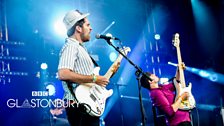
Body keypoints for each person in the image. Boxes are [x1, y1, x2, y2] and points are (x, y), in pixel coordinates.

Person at [57, 9, 109, 126]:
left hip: (86, 103)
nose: (91, 28)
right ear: (78, 28)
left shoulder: (80, 48)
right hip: (78, 104)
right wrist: (95, 79)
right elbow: (63, 74)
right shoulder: (71, 46)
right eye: (88, 25)